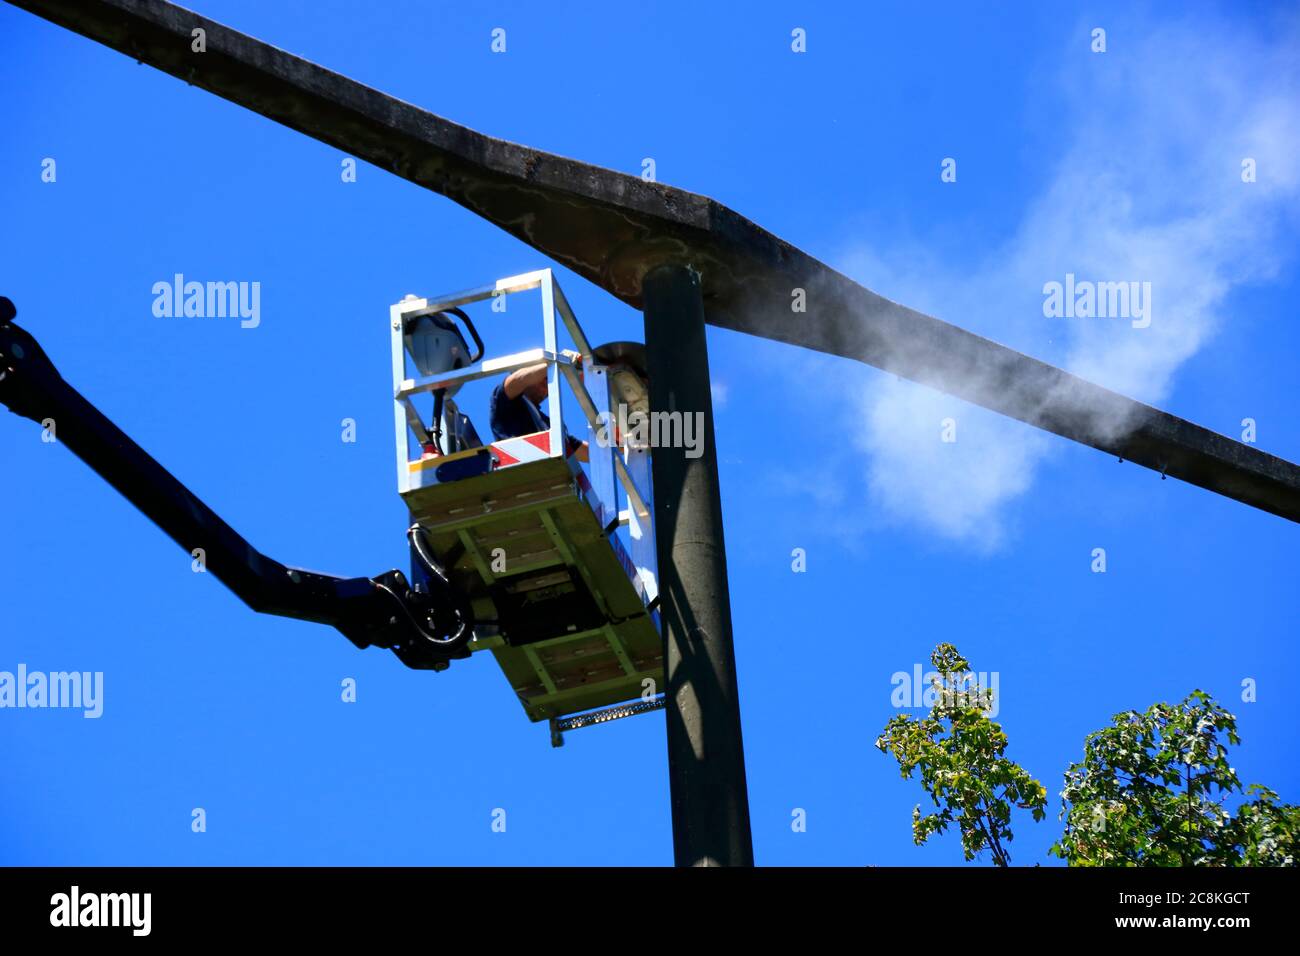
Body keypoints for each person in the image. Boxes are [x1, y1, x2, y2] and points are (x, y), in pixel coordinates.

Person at [489, 349, 588, 461]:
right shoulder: (505, 398)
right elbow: (518, 379)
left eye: (549, 377)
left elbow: (588, 453)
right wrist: (557, 363)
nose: (547, 378)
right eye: (543, 374)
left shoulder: (549, 425)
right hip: (520, 467)